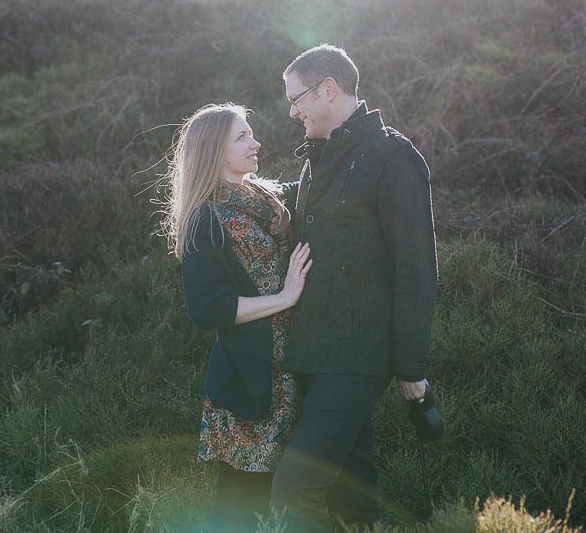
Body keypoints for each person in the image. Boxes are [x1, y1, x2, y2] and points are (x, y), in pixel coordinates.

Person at [270, 44, 438, 532]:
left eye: (296, 97)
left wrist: (411, 367)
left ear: (329, 89)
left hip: (357, 357)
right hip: (315, 353)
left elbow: (416, 269)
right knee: (353, 497)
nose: (292, 110)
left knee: (295, 487)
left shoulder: (393, 157)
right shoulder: (319, 155)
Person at [161, 102, 315, 532]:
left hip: (295, 366)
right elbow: (207, 309)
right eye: (243, 137)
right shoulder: (205, 219)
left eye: (252, 133)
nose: (256, 142)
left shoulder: (264, 196)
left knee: (289, 499)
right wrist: (285, 297)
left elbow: (312, 187)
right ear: (215, 150)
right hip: (253, 378)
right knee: (241, 504)